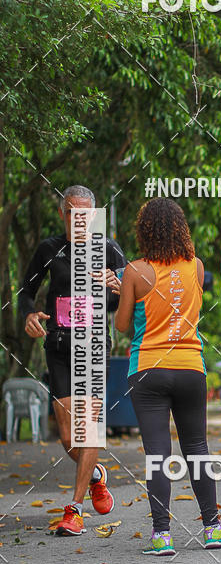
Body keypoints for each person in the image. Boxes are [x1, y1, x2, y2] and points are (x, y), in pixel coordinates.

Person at [113, 198, 221, 554]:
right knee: (197, 448)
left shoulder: (134, 271)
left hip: (148, 367)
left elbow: (122, 327)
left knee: (157, 453)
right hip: (190, 367)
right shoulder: (196, 266)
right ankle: (212, 528)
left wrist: (123, 292)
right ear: (181, 229)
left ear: (145, 231)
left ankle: (162, 535)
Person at [19, 185, 125, 537]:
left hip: (94, 345)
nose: (77, 219)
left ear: (93, 216)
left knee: (87, 428)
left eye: (84, 214)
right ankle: (96, 476)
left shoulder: (108, 249)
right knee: (68, 436)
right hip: (59, 347)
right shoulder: (50, 249)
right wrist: (30, 314)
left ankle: (75, 509)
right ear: (63, 214)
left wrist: (116, 288)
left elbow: (124, 301)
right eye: (70, 212)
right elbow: (26, 292)